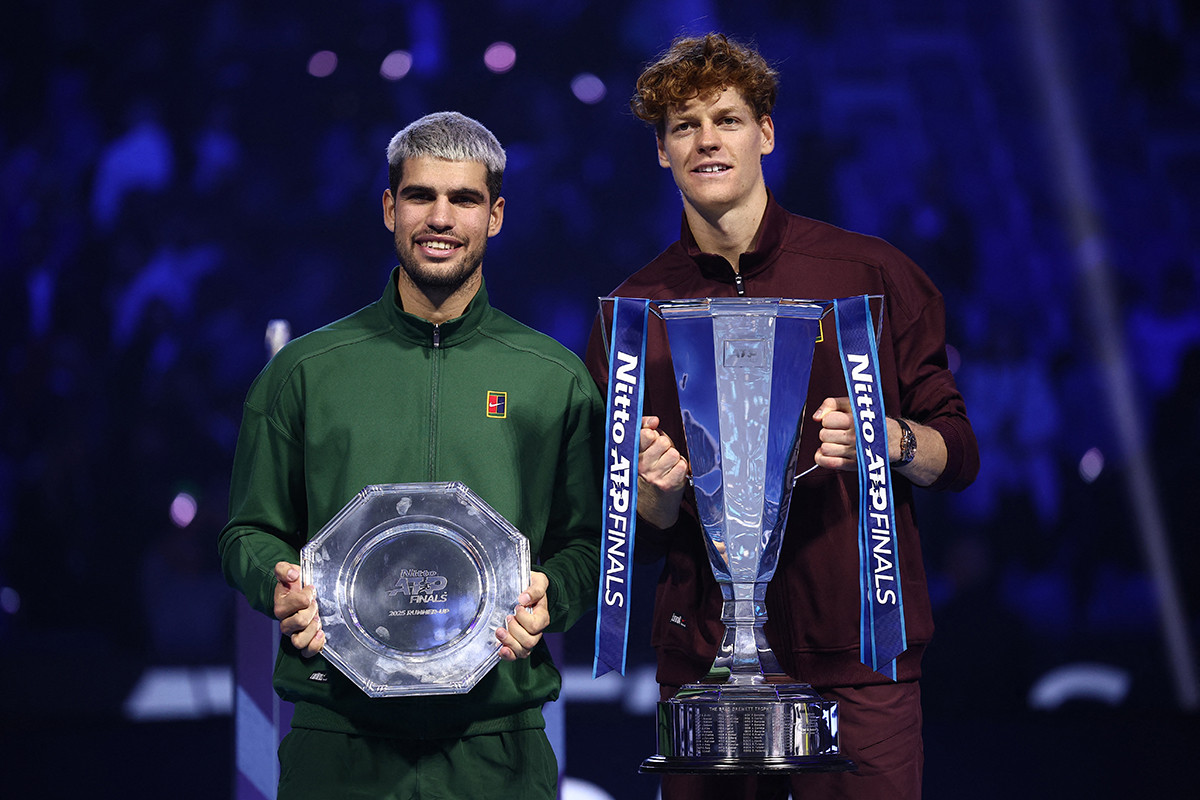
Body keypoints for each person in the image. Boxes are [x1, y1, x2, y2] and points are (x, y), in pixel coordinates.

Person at [585, 34, 979, 800]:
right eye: (684, 126)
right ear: (662, 151)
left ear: (765, 133)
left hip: (859, 656)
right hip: (707, 664)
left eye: (727, 120)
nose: (707, 141)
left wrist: (888, 438)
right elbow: (629, 531)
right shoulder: (631, 315)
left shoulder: (871, 276)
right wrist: (656, 497)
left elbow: (957, 452)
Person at [219, 111, 604, 800]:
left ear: (495, 216)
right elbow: (247, 531)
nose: (441, 217)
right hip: (338, 741)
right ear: (390, 208)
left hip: (497, 746)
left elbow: (589, 542)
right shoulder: (305, 371)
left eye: (464, 199)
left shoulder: (554, 377)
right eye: (421, 195)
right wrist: (275, 584)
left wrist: (556, 594)